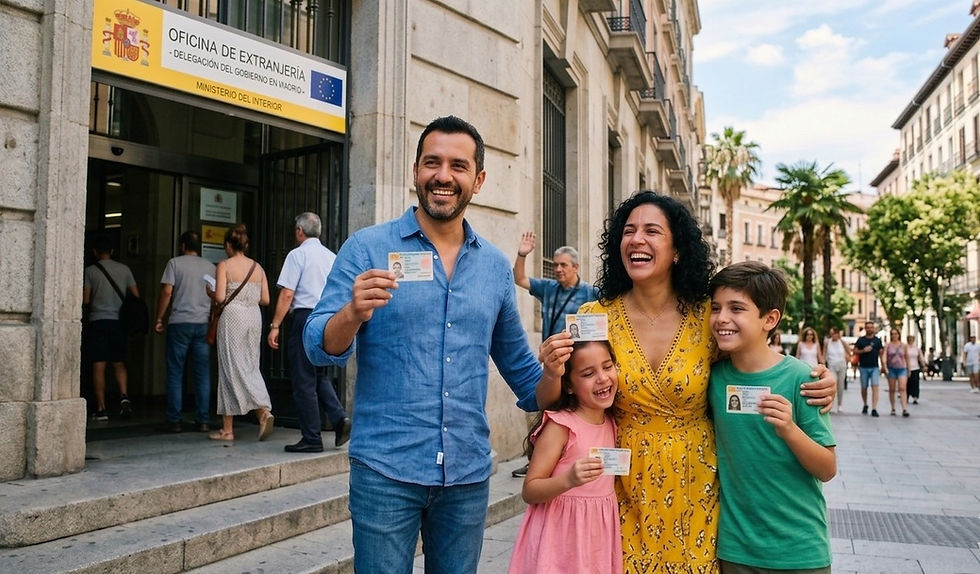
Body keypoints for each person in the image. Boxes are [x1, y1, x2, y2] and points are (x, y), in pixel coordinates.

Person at [537, 191, 836, 572]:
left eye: (652, 231)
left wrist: (816, 378)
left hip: (698, 482)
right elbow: (557, 402)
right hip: (622, 482)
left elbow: (757, 359)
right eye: (628, 231)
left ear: (677, 250)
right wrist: (551, 371)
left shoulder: (707, 316)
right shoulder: (593, 316)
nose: (637, 240)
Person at [303, 116, 548, 573]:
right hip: (385, 471)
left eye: (458, 166)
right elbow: (317, 346)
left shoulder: (495, 267)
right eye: (432, 162)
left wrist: (568, 371)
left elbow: (528, 381)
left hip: (467, 476)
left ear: (478, 180)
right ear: (415, 170)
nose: (443, 176)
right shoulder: (367, 249)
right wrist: (352, 313)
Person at [707, 261, 835, 573]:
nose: (722, 318)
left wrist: (790, 430)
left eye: (737, 308)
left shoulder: (802, 378)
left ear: (770, 319)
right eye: (715, 308)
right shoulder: (711, 378)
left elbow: (827, 468)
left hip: (800, 552)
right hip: (736, 551)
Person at [507, 340, 622, 574]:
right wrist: (568, 480)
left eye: (608, 366)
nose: (602, 378)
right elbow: (530, 490)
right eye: (588, 373)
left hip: (596, 541)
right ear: (568, 385)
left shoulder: (612, 422)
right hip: (558, 542)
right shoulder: (561, 426)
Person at [512, 233, 599, 478]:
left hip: (574, 369)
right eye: (556, 265)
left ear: (576, 267)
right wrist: (522, 254)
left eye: (563, 265)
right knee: (540, 412)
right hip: (550, 365)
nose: (558, 269)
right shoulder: (549, 288)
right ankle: (535, 461)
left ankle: (563, 460)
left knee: (567, 416)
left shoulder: (590, 294)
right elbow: (519, 278)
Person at [267, 213, 350, 453]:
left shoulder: (298, 254)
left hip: (304, 317)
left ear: (299, 231)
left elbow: (287, 293)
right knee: (319, 376)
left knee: (303, 379)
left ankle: (312, 437)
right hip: (327, 318)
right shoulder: (331, 256)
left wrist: (275, 326)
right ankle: (339, 418)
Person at [209, 224, 275, 442]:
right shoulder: (258, 267)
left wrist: (210, 292)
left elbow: (220, 297)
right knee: (249, 365)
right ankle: (261, 412)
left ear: (228, 244)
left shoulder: (224, 265)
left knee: (229, 367)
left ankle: (233, 427)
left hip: (233, 316)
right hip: (253, 317)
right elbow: (265, 300)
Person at [154, 230, 216, 433]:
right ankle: (203, 420)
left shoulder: (174, 263)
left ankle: (175, 420)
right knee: (202, 374)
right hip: (202, 324)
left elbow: (167, 292)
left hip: (179, 322)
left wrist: (160, 318)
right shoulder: (210, 266)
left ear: (182, 245)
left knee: (175, 372)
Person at [82, 233, 137, 421]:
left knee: (99, 365)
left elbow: (86, 299)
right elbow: (135, 295)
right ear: (112, 251)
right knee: (119, 362)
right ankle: (124, 397)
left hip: (98, 321)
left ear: (95, 252)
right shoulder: (125, 269)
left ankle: (101, 408)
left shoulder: (90, 271)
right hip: (119, 322)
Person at [854, 320, 885, 417]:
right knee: (864, 388)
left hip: (874, 367)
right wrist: (863, 350)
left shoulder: (877, 340)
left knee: (875, 387)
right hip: (863, 367)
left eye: (871, 327)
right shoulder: (861, 340)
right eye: (868, 327)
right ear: (865, 328)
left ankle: (874, 408)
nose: (870, 329)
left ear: (874, 328)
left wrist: (883, 365)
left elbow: (881, 353)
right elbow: (855, 350)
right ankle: (865, 404)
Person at [823, 327, 851, 413]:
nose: (832, 335)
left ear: (837, 334)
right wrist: (823, 364)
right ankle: (831, 405)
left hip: (842, 365)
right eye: (831, 333)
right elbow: (824, 354)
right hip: (832, 365)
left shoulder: (842, 342)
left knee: (840, 386)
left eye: (834, 333)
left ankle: (840, 404)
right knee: (833, 384)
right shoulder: (827, 342)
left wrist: (847, 358)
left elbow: (849, 352)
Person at [885, 328, 910, 417]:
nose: (894, 335)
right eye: (892, 334)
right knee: (892, 389)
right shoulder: (888, 345)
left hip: (902, 368)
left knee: (902, 388)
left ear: (899, 335)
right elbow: (885, 357)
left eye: (896, 334)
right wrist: (884, 367)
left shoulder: (904, 346)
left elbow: (907, 357)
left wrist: (909, 369)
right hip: (891, 368)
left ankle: (904, 408)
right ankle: (893, 408)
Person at [906, 335, 922, 405]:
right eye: (909, 339)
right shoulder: (905, 348)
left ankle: (915, 397)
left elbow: (920, 357)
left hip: (915, 367)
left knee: (915, 383)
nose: (911, 340)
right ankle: (906, 397)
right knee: (907, 383)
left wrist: (923, 365)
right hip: (906, 368)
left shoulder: (917, 349)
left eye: (912, 339)